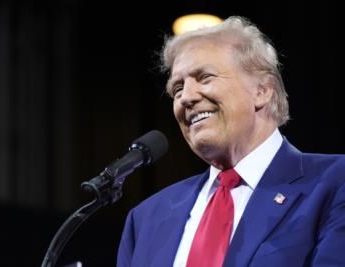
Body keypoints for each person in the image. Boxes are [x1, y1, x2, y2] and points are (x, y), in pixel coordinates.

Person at [117, 16, 345, 267]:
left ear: (262, 90)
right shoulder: (146, 219)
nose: (186, 98)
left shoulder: (334, 183)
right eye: (178, 88)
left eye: (205, 77)